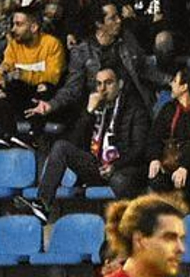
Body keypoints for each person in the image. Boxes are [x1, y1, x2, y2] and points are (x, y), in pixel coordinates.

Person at [17, 66, 149, 224]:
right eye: (99, 84)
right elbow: (75, 142)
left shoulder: (135, 108)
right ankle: (42, 204)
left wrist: (115, 166)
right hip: (97, 166)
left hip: (123, 168)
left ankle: (132, 224)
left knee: (119, 180)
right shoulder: (94, 106)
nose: (102, 89)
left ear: (120, 84)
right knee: (61, 147)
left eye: (108, 83)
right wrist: (88, 112)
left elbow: (139, 149)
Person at [0, 5, 66, 150]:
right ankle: (7, 134)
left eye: (19, 25)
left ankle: (35, 136)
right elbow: (6, 65)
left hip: (46, 98)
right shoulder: (14, 45)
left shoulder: (52, 44)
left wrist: (24, 75)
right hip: (22, 95)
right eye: (13, 24)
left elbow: (53, 76)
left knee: (44, 85)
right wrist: (1, 73)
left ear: (33, 27)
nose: (13, 29)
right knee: (0, 90)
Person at [144, 67, 190, 195]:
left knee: (188, 184)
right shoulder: (169, 108)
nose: (171, 84)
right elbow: (154, 136)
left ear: (184, 87)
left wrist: (184, 165)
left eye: (175, 81)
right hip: (169, 162)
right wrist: (155, 158)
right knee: (155, 179)